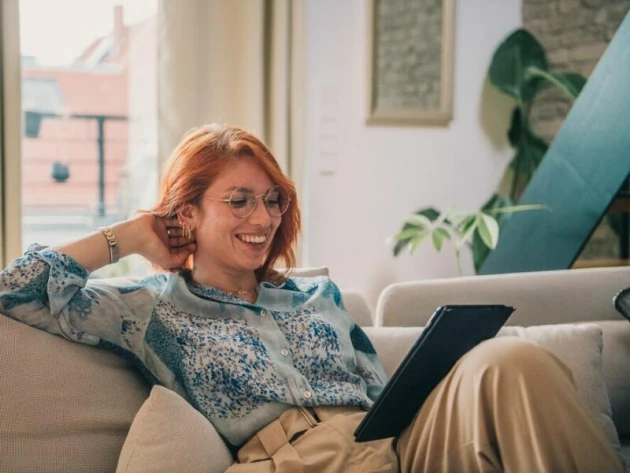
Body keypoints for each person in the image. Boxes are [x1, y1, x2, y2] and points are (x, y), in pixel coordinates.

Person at [0, 124, 622, 473]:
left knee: (513, 361)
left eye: (272, 200)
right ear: (185, 213)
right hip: (292, 466)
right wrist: (131, 237)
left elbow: (379, 396)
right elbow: (13, 291)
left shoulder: (318, 296)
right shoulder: (150, 307)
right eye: (238, 200)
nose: (262, 217)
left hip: (392, 449)